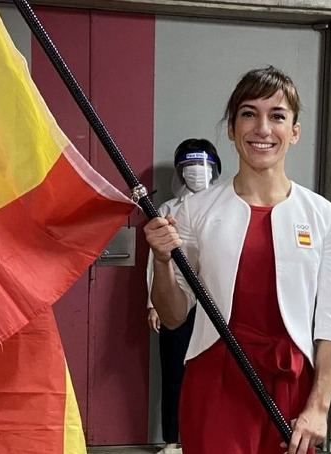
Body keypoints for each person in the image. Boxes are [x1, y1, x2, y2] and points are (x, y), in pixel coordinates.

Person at [143, 66, 331, 454]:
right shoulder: (195, 212)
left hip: (290, 383)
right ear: (232, 128)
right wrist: (160, 261)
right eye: (249, 113)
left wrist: (319, 407)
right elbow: (173, 316)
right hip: (214, 378)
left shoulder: (325, 218)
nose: (262, 128)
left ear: (295, 131)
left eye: (277, 116)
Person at [146, 139, 222, 454]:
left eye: (202, 166)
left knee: (211, 373)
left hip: (215, 304)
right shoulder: (168, 210)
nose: (197, 173)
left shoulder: (224, 206)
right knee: (174, 370)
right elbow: (155, 262)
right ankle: (173, 440)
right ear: (180, 171)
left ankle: (208, 437)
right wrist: (153, 304)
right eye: (190, 167)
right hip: (176, 299)